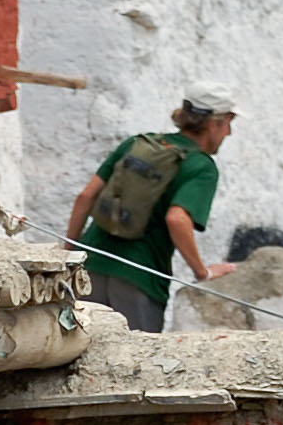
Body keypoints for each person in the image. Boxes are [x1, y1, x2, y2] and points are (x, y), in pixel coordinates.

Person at [65, 85, 237, 335]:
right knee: (134, 365)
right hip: (139, 281)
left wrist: (69, 251)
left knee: (79, 358)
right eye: (228, 124)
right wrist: (203, 272)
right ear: (214, 124)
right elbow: (177, 219)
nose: (229, 132)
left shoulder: (137, 144)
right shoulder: (200, 166)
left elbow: (85, 196)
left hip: (87, 270)